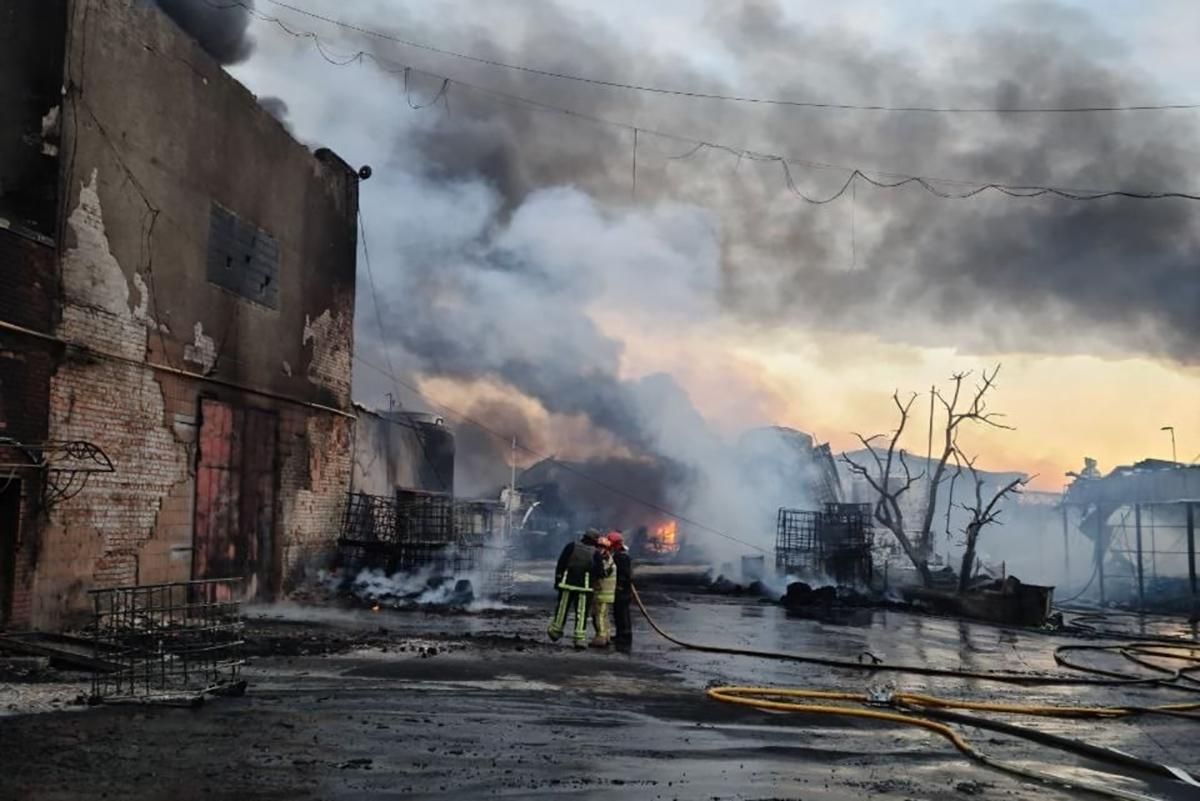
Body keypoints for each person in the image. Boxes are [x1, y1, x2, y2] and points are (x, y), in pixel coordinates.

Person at [548, 529, 603, 649]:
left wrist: (558, 580)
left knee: (562, 608)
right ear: (594, 540)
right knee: (581, 612)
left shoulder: (571, 546)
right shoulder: (596, 553)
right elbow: (600, 572)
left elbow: (561, 563)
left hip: (567, 583)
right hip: (585, 587)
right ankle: (579, 638)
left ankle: (555, 631)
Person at [608, 531, 633, 650]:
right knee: (620, 612)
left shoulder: (620, 557)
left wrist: (619, 585)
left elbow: (623, 574)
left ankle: (624, 635)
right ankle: (621, 634)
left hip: (621, 589)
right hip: (623, 588)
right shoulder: (623, 555)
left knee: (621, 613)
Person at [590, 537, 616, 648]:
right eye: (598, 546)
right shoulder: (608, 559)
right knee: (604, 615)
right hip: (605, 593)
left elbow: (601, 574)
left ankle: (601, 637)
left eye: (602, 547)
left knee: (599, 615)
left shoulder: (604, 560)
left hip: (602, 592)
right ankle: (606, 636)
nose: (599, 549)